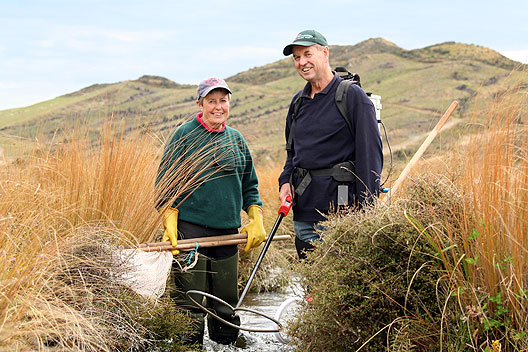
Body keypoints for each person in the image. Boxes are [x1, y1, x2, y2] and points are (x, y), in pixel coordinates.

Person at [155, 77, 266, 347]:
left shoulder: (236, 140)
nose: (218, 107)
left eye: (223, 101)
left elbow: (249, 186)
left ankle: (225, 345)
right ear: (200, 103)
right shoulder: (184, 135)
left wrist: (255, 218)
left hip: (227, 234)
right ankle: (188, 347)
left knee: (226, 306)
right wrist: (169, 220)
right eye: (212, 101)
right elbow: (164, 185)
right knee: (189, 305)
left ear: (229, 103)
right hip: (189, 234)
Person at [278, 30, 383, 259]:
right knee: (310, 290)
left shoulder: (353, 97)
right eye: (297, 57)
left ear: (325, 53)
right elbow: (291, 153)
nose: (302, 62)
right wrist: (285, 180)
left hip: (342, 215)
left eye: (307, 54)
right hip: (304, 214)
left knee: (339, 290)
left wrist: (366, 215)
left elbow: (371, 158)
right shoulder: (298, 103)